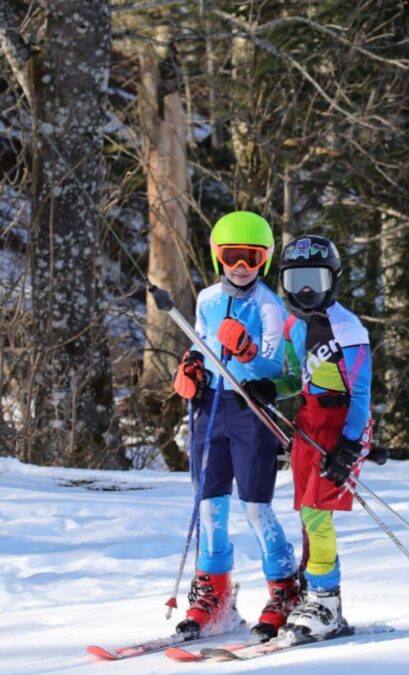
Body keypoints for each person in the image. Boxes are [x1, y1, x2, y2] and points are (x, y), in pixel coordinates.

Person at [171, 211, 301, 642]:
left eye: (251, 257)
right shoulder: (208, 298)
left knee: (255, 506)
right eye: (232, 256)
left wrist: (246, 354)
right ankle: (215, 595)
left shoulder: (268, 304)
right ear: (217, 257)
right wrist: (191, 366)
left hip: (249, 411)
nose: (241, 266)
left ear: (263, 259)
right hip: (211, 408)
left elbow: (271, 364)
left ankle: (284, 589)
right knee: (209, 505)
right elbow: (201, 342)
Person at [242, 234, 373, 642]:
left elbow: (361, 392)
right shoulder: (293, 324)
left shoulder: (347, 327)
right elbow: (295, 379)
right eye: (297, 279)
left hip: (340, 424)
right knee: (306, 511)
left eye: (314, 280)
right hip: (308, 422)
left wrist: (350, 445)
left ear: (332, 280)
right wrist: (269, 388)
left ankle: (327, 601)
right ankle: (311, 590)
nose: (304, 290)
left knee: (317, 513)